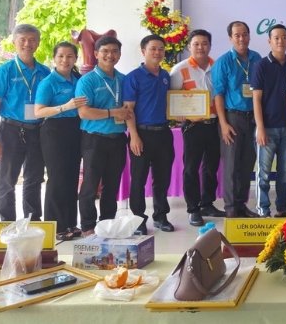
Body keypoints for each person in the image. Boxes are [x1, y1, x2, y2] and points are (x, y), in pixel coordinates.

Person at [0, 24, 50, 221]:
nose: (27, 44)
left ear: (38, 43)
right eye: (22, 39)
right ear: (14, 42)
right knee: (7, 181)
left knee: (33, 180)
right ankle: (8, 224)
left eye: (32, 40)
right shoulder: (4, 71)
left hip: (37, 132)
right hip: (10, 131)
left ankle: (32, 222)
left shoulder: (45, 72)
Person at [76, 35, 133, 235]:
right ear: (96, 54)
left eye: (115, 51)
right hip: (94, 139)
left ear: (119, 54)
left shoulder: (123, 79)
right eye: (105, 51)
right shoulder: (87, 80)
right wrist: (112, 113)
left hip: (118, 139)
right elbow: (84, 112)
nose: (110, 55)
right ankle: (88, 226)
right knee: (90, 185)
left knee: (112, 185)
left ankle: (107, 224)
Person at [169, 29, 225, 227]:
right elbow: (171, 98)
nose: (200, 47)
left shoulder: (217, 66)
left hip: (214, 124)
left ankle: (207, 203)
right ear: (189, 46)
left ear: (210, 45)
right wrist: (178, 113)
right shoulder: (179, 70)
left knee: (211, 167)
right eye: (196, 44)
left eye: (204, 43)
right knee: (191, 168)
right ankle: (193, 209)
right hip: (193, 126)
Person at [123, 34, 176, 234]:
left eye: (161, 49)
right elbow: (128, 109)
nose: (157, 52)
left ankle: (161, 216)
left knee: (162, 179)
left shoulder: (165, 76)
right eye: (153, 48)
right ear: (143, 51)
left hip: (163, 133)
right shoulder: (133, 77)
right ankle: (138, 220)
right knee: (138, 179)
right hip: (141, 135)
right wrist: (134, 136)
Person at [34, 41, 86, 240]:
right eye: (61, 56)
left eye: (70, 56)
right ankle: (56, 226)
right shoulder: (48, 82)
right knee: (57, 179)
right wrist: (66, 106)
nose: (65, 60)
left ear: (75, 58)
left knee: (72, 178)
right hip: (54, 131)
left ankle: (70, 223)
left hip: (75, 129)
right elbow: (39, 111)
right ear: (54, 58)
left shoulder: (78, 79)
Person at [213, 21, 262, 218]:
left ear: (249, 36)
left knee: (247, 163)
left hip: (253, 118)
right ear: (230, 38)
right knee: (232, 165)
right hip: (232, 118)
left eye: (244, 34)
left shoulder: (257, 58)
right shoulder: (223, 62)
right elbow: (218, 94)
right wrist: (223, 124)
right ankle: (231, 208)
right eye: (237, 35)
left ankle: (242, 204)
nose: (241, 38)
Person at [251, 24, 286, 218]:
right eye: (276, 38)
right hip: (267, 129)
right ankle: (263, 208)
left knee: (285, 172)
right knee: (263, 174)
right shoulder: (261, 65)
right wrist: (260, 128)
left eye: (284, 37)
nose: (280, 41)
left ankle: (282, 207)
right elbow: (256, 99)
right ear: (269, 41)